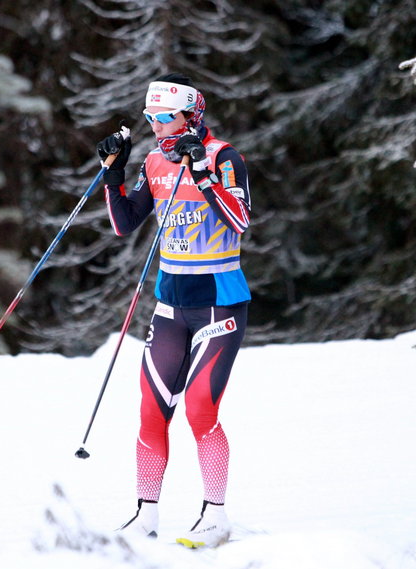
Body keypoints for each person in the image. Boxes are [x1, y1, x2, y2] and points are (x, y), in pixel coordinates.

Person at [96, 73, 251, 548]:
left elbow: (240, 220)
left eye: (167, 118)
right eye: (151, 118)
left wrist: (202, 174)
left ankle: (217, 516)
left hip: (219, 302)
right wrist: (114, 173)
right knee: (151, 411)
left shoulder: (225, 157)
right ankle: (145, 516)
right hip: (170, 305)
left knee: (201, 408)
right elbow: (125, 223)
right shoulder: (156, 162)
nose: (158, 127)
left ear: (192, 116)